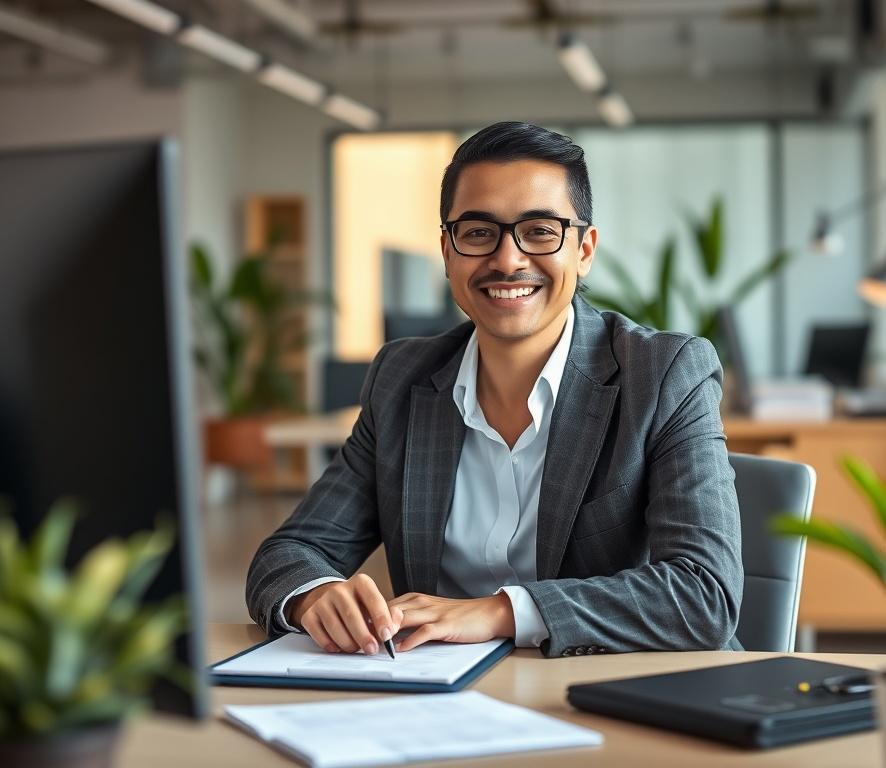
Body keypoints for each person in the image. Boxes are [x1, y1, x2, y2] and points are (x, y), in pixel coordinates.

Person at [246, 121, 743, 659]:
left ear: (584, 250)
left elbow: (704, 595)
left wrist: (499, 611)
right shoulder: (401, 379)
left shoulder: (664, 373)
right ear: (447, 249)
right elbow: (291, 551)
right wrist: (315, 596)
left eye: (540, 231)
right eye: (479, 232)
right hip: (443, 704)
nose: (507, 260)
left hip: (613, 698)